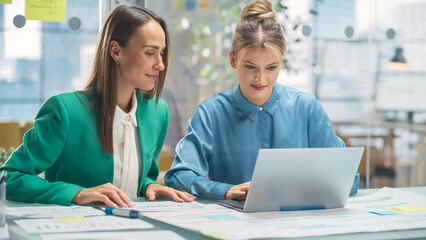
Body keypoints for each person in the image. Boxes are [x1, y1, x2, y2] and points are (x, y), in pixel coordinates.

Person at [0, 5, 195, 207]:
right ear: (116, 51)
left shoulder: (157, 112)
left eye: (162, 53)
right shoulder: (65, 111)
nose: (160, 64)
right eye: (149, 53)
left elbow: (142, 177)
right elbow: (9, 177)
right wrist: (76, 193)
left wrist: (148, 186)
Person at [165, 0, 359, 200]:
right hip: (234, 225)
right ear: (233, 60)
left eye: (271, 67)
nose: (260, 79)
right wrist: (225, 190)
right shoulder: (211, 113)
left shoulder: (306, 108)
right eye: (250, 67)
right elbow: (179, 175)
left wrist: (296, 189)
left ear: (281, 62)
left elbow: (349, 178)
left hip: (296, 221)